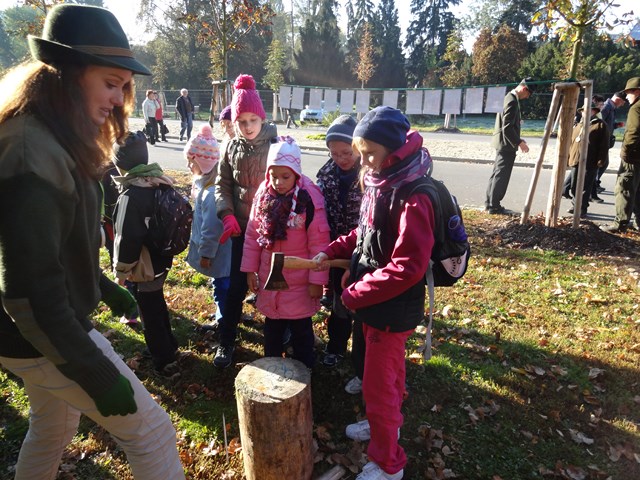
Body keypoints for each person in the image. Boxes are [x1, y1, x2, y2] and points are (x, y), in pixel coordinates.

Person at [0, 5, 185, 479]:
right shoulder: (29, 152)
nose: (119, 99)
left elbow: (54, 244)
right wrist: (96, 373)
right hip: (32, 334)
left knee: (55, 423)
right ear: (65, 74)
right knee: (153, 435)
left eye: (125, 86)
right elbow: (30, 294)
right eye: (109, 83)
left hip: (35, 329)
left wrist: (99, 284)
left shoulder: (56, 135)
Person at [314, 106, 435, 480]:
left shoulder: (413, 195)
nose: (362, 162)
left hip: (390, 307)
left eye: (369, 154)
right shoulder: (382, 182)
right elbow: (365, 233)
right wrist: (333, 250)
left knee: (379, 386)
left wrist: (354, 295)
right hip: (374, 303)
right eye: (360, 152)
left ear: (393, 149)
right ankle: (386, 423)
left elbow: (407, 266)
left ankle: (388, 463)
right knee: (387, 375)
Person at [242, 136, 329, 368]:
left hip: (299, 281)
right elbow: (253, 234)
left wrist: (316, 280)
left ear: (297, 173)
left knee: (301, 330)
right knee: (272, 327)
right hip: (270, 276)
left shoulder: (308, 198)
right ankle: (271, 366)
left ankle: (305, 370)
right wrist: (250, 269)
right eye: (273, 175)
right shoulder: (263, 195)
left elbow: (319, 242)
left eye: (285, 176)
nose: (278, 182)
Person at [214, 73, 278, 368]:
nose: (248, 126)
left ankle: (281, 338)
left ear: (262, 119)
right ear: (235, 122)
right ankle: (226, 342)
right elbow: (222, 186)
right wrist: (227, 215)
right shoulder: (230, 147)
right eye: (242, 121)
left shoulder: (276, 146)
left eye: (253, 120)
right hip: (242, 232)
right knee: (236, 288)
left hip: (272, 233)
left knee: (274, 285)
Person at [112, 132, 181, 376]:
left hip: (144, 265)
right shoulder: (160, 182)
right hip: (163, 258)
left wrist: (121, 271)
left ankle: (164, 360)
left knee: (148, 312)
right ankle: (170, 345)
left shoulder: (131, 196)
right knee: (156, 302)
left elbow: (126, 238)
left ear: (120, 164)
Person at [316, 115, 364, 377]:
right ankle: (335, 346)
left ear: (358, 147)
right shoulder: (326, 175)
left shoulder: (369, 174)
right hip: (335, 248)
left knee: (362, 304)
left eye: (346, 152)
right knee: (339, 301)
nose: (341, 159)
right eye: (334, 154)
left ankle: (362, 354)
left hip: (364, 249)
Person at [184, 124, 231, 334]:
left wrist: (205, 254)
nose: (187, 165)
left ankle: (225, 321)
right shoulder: (206, 186)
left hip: (218, 254)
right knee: (220, 284)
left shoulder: (211, 193)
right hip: (218, 255)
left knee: (222, 286)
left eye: (190, 161)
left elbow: (211, 230)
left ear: (201, 162)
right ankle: (224, 313)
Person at [485, 77, 535, 214]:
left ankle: (490, 202)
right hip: (506, 144)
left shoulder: (509, 97)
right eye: (528, 94)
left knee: (497, 173)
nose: (527, 97)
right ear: (524, 89)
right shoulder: (512, 101)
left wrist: (519, 139)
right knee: (502, 175)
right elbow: (507, 127)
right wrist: (519, 143)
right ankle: (494, 205)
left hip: (503, 142)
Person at [603, 77, 640, 233]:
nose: (627, 96)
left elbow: (633, 131)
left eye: (629, 93)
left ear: (637, 91)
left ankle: (620, 224)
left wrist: (625, 151)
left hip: (634, 155)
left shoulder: (636, 108)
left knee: (624, 186)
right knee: (638, 189)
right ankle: (638, 223)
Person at [562, 103, 609, 217]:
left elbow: (604, 145)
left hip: (590, 161)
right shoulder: (578, 125)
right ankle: (575, 205)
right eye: (583, 110)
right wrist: (569, 157)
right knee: (574, 185)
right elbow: (572, 143)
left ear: (594, 111)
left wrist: (600, 161)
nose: (585, 112)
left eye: (589, 110)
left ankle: (582, 209)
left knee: (585, 186)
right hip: (576, 160)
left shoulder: (600, 125)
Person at [592, 91, 627, 201]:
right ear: (618, 100)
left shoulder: (611, 108)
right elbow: (598, 122)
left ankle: (567, 187)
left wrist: (616, 125)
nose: (622, 105)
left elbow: (607, 123)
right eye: (623, 103)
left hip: (604, 140)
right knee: (601, 164)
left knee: (601, 164)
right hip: (600, 141)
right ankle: (594, 186)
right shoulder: (607, 107)